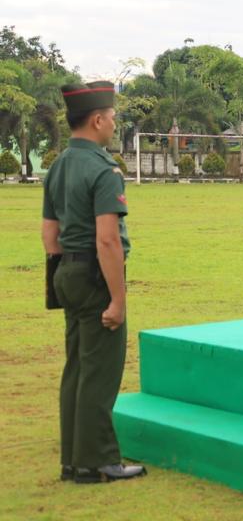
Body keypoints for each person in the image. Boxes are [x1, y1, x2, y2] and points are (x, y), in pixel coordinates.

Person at [42, 82, 146, 484]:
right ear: (98, 119)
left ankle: (73, 460)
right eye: (114, 117)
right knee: (100, 372)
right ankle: (99, 461)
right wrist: (117, 300)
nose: (115, 123)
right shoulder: (103, 169)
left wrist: (62, 275)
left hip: (66, 271)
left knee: (77, 368)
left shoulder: (59, 165)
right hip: (94, 274)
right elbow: (106, 238)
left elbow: (50, 234)